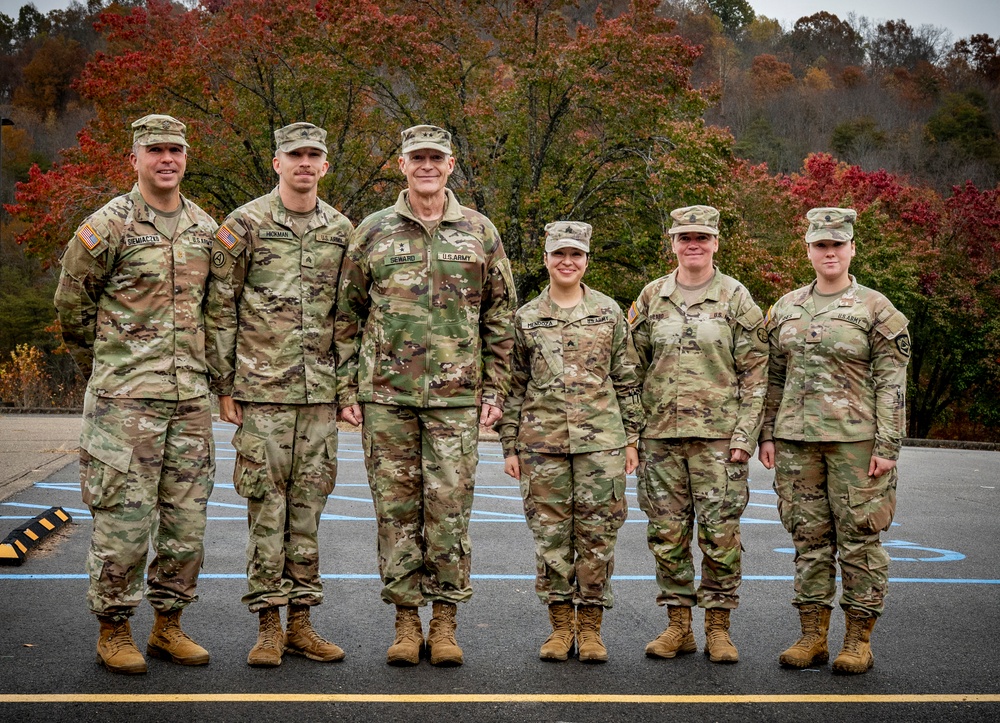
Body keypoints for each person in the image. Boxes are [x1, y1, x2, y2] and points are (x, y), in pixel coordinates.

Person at [335, 124, 516, 666]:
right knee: (395, 513)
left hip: (457, 400)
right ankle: (406, 622)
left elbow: (500, 317)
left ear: (451, 163)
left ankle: (445, 624)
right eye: (418, 158)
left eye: (436, 157)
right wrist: (347, 388)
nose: (427, 166)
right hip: (387, 400)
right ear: (402, 164)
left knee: (449, 512)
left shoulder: (479, 233)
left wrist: (497, 390)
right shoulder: (373, 231)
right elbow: (346, 316)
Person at [54, 114, 217, 675]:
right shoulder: (109, 226)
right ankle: (114, 629)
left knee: (185, 524)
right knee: (123, 522)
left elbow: (213, 312)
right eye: (155, 150)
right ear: (135, 158)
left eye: (175, 149)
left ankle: (169, 626)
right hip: (124, 404)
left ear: (186, 157)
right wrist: (105, 366)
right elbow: (71, 304)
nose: (166, 159)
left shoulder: (203, 228)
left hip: (189, 402)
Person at [205, 122, 353, 667]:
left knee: (308, 512)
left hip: (318, 396)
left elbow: (350, 316)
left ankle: (302, 624)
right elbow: (220, 305)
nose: (305, 163)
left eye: (315, 155)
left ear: (325, 165)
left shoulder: (342, 230)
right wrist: (224, 384)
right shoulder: (243, 224)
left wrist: (347, 388)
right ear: (277, 162)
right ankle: (268, 624)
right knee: (266, 510)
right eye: (296, 155)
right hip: (261, 393)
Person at [758, 207, 910, 675]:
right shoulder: (785, 308)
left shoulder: (875, 308)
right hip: (796, 442)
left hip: (856, 444)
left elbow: (893, 382)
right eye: (821, 245)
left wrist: (888, 445)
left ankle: (858, 641)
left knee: (861, 541)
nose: (829, 252)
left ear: (851, 249)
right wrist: (767, 432)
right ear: (808, 250)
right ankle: (812, 637)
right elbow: (774, 377)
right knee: (808, 541)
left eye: (837, 244)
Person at [629, 205, 768, 664]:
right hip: (660, 440)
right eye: (685, 236)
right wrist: (634, 433)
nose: (693, 244)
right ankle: (678, 627)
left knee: (720, 536)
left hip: (718, 441)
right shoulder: (652, 297)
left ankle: (719, 627)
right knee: (667, 536)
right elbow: (629, 369)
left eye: (702, 237)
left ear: (715, 243)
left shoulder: (737, 298)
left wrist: (745, 435)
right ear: (672, 242)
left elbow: (755, 373)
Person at [499, 221, 643, 663]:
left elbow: (627, 378)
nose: (567, 261)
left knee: (598, 537)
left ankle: (592, 628)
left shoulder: (609, 313)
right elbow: (514, 385)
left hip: (602, 445)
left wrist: (633, 439)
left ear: (586, 260)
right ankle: (561, 628)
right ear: (546, 259)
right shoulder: (526, 317)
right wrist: (509, 445)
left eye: (576, 254)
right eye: (559, 254)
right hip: (541, 445)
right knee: (551, 540)